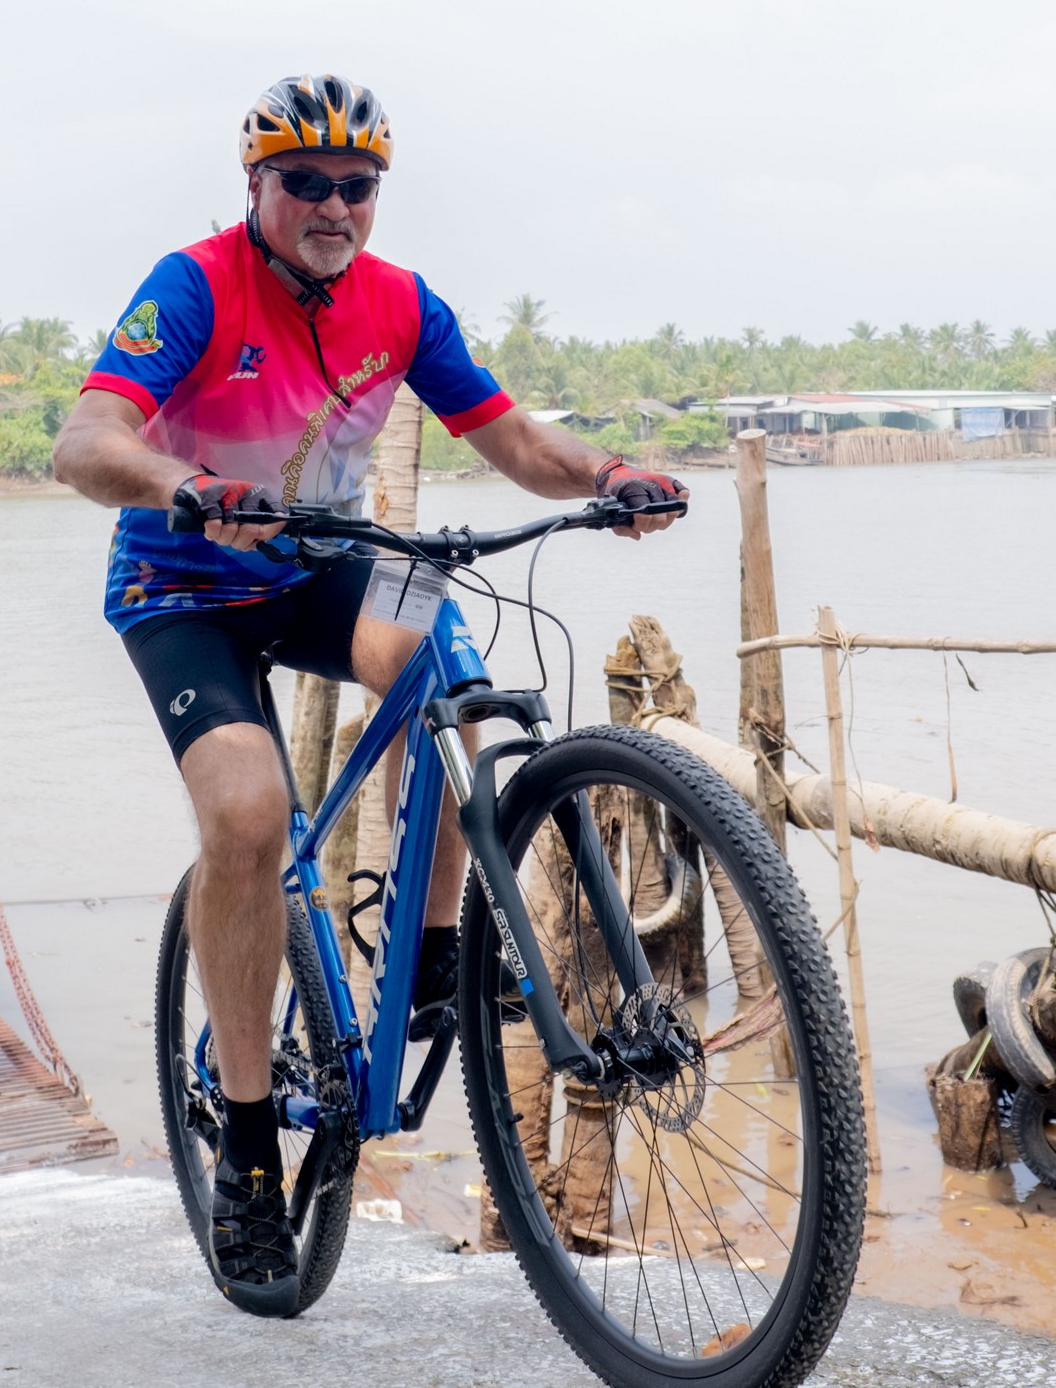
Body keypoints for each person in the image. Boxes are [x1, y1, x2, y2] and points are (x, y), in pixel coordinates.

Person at [50, 74, 685, 1314]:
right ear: (256, 189)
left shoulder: (399, 304)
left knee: (444, 651)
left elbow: (510, 440)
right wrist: (184, 485)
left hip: (322, 560)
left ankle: (437, 947)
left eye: (358, 186)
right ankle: (242, 1143)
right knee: (246, 817)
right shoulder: (193, 286)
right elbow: (84, 444)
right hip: (186, 578)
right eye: (307, 183)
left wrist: (610, 476)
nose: (334, 206)